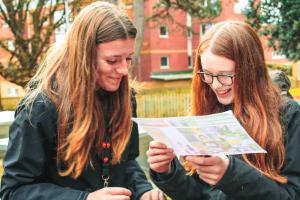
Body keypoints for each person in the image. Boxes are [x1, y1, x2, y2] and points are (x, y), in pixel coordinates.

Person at [0, 2, 165, 200]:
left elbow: (126, 163)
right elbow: (14, 191)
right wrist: (84, 198)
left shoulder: (125, 98)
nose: (123, 70)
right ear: (83, 56)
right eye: (112, 61)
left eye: (128, 59)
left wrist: (143, 190)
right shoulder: (40, 108)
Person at [146, 21, 300, 200]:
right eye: (207, 74)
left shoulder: (289, 117)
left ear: (250, 70)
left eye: (225, 75)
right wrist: (168, 171)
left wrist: (231, 174)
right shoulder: (210, 110)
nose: (216, 85)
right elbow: (202, 195)